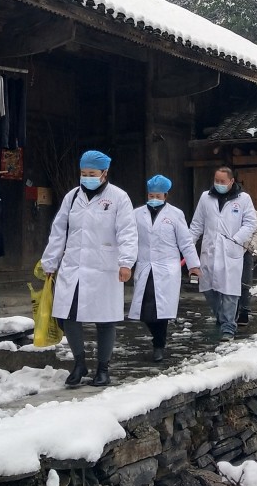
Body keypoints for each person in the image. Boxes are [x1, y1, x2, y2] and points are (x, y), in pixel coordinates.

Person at [41, 150, 137, 386]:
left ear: (104, 173)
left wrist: (126, 262)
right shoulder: (72, 197)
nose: (86, 178)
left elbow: (127, 232)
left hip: (105, 268)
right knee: (69, 316)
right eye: (83, 173)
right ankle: (79, 363)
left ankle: (103, 369)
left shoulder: (118, 197)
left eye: (91, 174)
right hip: (74, 266)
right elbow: (59, 230)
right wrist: (50, 262)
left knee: (105, 320)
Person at [128, 175, 201, 362]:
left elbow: (185, 242)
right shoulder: (136, 214)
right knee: (145, 310)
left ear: (166, 195)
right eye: (151, 195)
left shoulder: (176, 214)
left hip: (167, 267)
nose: (154, 199)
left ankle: (159, 345)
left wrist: (193, 265)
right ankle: (156, 338)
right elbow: (128, 239)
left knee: (160, 311)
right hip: (145, 266)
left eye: (158, 196)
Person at [189, 166, 257, 342]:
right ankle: (221, 316)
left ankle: (228, 327)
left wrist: (235, 240)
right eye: (216, 180)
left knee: (230, 291)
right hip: (210, 251)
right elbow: (197, 224)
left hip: (231, 251)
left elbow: (250, 223)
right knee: (208, 288)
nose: (218, 184)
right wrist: (188, 244)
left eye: (222, 181)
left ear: (231, 181)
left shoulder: (243, 199)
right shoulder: (206, 197)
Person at [237, 210, 257, 326]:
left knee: (245, 282)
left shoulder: (251, 212)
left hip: (245, 252)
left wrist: (251, 246)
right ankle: (227, 313)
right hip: (226, 253)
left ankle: (244, 311)